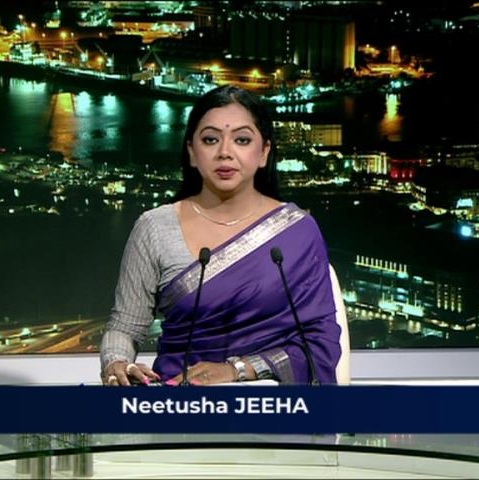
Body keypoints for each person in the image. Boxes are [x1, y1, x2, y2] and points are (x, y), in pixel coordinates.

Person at [100, 85, 341, 386]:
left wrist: (237, 370)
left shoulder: (297, 230)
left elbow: (320, 341)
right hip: (179, 402)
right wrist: (117, 362)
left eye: (242, 140)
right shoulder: (154, 227)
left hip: (272, 405)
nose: (225, 152)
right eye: (210, 139)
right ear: (192, 152)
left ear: (264, 152)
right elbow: (124, 326)